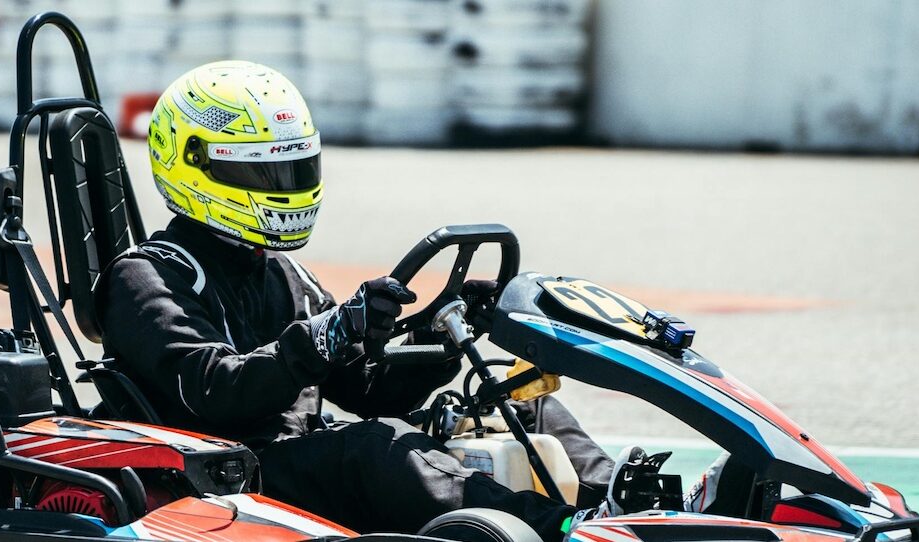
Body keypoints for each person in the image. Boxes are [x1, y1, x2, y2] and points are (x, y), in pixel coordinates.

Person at [97, 61, 616, 540]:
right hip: (226, 472)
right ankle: (563, 529)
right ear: (196, 165)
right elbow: (215, 392)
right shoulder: (147, 276)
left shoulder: (283, 272)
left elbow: (369, 392)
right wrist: (327, 335)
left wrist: (437, 337)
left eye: (294, 171)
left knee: (522, 402)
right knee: (375, 445)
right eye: (263, 173)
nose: (283, 189)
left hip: (300, 456)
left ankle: (625, 505)